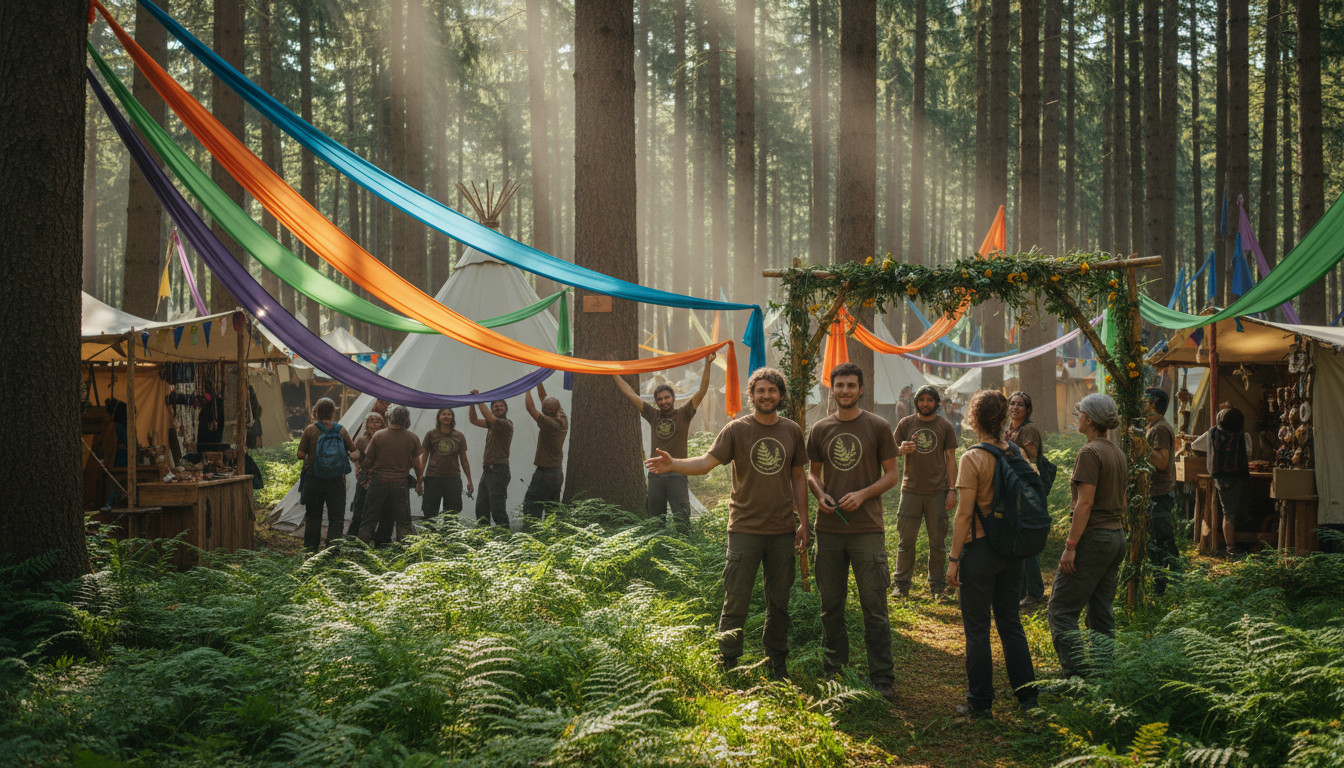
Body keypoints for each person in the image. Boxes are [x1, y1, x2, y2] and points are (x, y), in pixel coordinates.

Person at [646, 368, 808, 679]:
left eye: (772, 390)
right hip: (745, 529)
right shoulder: (736, 430)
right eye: (760, 390)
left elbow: (798, 477)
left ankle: (777, 662)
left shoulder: (792, 431)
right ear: (751, 396)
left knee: (780, 602)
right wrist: (673, 464)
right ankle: (728, 660)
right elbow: (706, 463)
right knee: (736, 599)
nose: (766, 395)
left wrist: (804, 522)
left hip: (782, 531)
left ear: (781, 396)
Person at [806, 362, 901, 699]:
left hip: (867, 530)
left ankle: (882, 678)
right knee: (831, 606)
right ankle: (835, 672)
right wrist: (819, 495)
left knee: (873, 606)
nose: (844, 391)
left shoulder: (878, 426)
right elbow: (812, 473)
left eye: (851, 385)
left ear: (862, 389)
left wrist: (862, 494)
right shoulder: (820, 429)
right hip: (829, 530)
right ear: (832, 389)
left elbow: (892, 474)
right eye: (839, 385)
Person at [945, 390, 1038, 717]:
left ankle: (980, 704)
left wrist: (954, 559)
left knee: (978, 628)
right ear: (1002, 418)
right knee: (1011, 623)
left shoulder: (972, 458)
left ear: (973, 419)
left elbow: (964, 515)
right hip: (1013, 550)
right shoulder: (1015, 452)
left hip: (981, 550)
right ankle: (1028, 699)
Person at [1047, 394, 1127, 679]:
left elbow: (1085, 503)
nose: (1077, 416)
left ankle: (1077, 677)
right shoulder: (1116, 452)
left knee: (1061, 610)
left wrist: (1070, 546)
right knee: (1101, 613)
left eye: (1079, 412)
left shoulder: (1090, 452)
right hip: (1116, 538)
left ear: (1089, 419)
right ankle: (1102, 676)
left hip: (1095, 538)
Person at [612, 354, 716, 529]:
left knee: (681, 518)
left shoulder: (684, 413)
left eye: (667, 398)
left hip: (677, 472)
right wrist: (614, 373)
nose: (664, 401)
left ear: (673, 398)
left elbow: (702, 391)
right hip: (656, 475)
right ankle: (658, 549)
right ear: (656, 402)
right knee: (655, 521)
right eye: (660, 399)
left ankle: (684, 551)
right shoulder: (653, 415)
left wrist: (707, 364)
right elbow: (630, 393)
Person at [892, 384, 960, 599]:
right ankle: (901, 586)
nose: (926, 404)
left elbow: (951, 458)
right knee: (906, 542)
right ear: (916, 402)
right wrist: (901, 449)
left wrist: (952, 489)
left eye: (930, 400)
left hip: (937, 491)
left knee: (937, 543)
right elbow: (891, 450)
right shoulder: (906, 423)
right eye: (922, 400)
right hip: (910, 490)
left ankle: (937, 588)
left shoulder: (945, 426)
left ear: (937, 403)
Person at [1181, 406, 1254, 559]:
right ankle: (1243, 544)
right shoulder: (1244, 436)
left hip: (1221, 478)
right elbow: (1249, 453)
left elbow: (1194, 445)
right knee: (1244, 509)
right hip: (1240, 477)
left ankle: (1230, 548)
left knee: (1228, 514)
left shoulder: (1212, 433)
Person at [296, 398, 358, 551]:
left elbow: (299, 454)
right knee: (336, 518)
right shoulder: (341, 429)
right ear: (333, 412)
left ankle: (310, 551)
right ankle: (333, 551)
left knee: (313, 517)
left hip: (314, 479)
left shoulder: (310, 430)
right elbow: (354, 451)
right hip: (336, 480)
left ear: (316, 411)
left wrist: (311, 458)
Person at [358, 405, 424, 544]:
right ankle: (402, 551)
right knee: (403, 521)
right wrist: (419, 481)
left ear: (390, 418)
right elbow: (417, 464)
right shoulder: (412, 438)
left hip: (378, 483)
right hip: (400, 485)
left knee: (369, 519)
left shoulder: (379, 435)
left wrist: (365, 468)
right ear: (406, 419)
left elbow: (368, 460)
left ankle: (361, 549)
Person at [1006, 392, 1047, 608]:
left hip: (1028, 493)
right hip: (1016, 491)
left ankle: (1035, 591)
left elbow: (1032, 456)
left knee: (1027, 541)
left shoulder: (1028, 430)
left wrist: (1012, 443)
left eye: (1020, 404)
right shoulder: (1011, 428)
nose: (1015, 407)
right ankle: (1022, 591)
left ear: (1027, 409)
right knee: (1018, 540)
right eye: (1012, 403)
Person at [1144, 388, 1181, 593]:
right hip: (1155, 492)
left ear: (1152, 403)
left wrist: (1142, 443)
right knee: (1158, 539)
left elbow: (1162, 462)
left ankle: (1171, 582)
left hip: (1159, 493)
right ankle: (1164, 582)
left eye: (1144, 401)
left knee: (1163, 541)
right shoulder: (1153, 426)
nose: (1141, 404)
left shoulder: (1159, 429)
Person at [522, 382, 568, 523]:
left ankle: (532, 533)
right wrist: (538, 381)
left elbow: (530, 408)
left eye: (545, 411)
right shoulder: (563, 417)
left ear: (550, 413)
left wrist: (527, 388)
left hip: (545, 473)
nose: (543, 412)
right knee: (552, 507)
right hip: (557, 473)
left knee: (532, 504)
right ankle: (550, 534)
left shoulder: (549, 423)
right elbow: (544, 398)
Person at [468, 391, 514, 528]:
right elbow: (473, 420)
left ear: (505, 409)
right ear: (492, 409)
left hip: (499, 470)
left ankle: (505, 539)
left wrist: (479, 399)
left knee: (497, 509)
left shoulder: (506, 424)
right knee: (481, 509)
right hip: (487, 471)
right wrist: (471, 403)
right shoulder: (491, 425)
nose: (498, 408)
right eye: (495, 406)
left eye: (501, 406)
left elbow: (492, 419)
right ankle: (484, 539)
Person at [421, 408, 473, 521]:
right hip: (433, 478)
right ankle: (430, 536)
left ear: (452, 418)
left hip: (453, 478)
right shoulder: (430, 435)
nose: (446, 416)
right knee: (429, 512)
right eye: (443, 414)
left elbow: (464, 459)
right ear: (439, 417)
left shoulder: (459, 436)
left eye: (449, 414)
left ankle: (450, 537)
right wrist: (420, 478)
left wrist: (469, 479)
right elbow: (424, 457)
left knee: (452, 513)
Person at [345, 410, 386, 540]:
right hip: (363, 479)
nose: (374, 424)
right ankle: (352, 537)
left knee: (377, 511)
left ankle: (371, 537)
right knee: (359, 509)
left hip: (381, 480)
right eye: (371, 421)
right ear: (366, 424)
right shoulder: (361, 440)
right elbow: (356, 460)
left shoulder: (386, 439)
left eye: (378, 421)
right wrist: (361, 476)